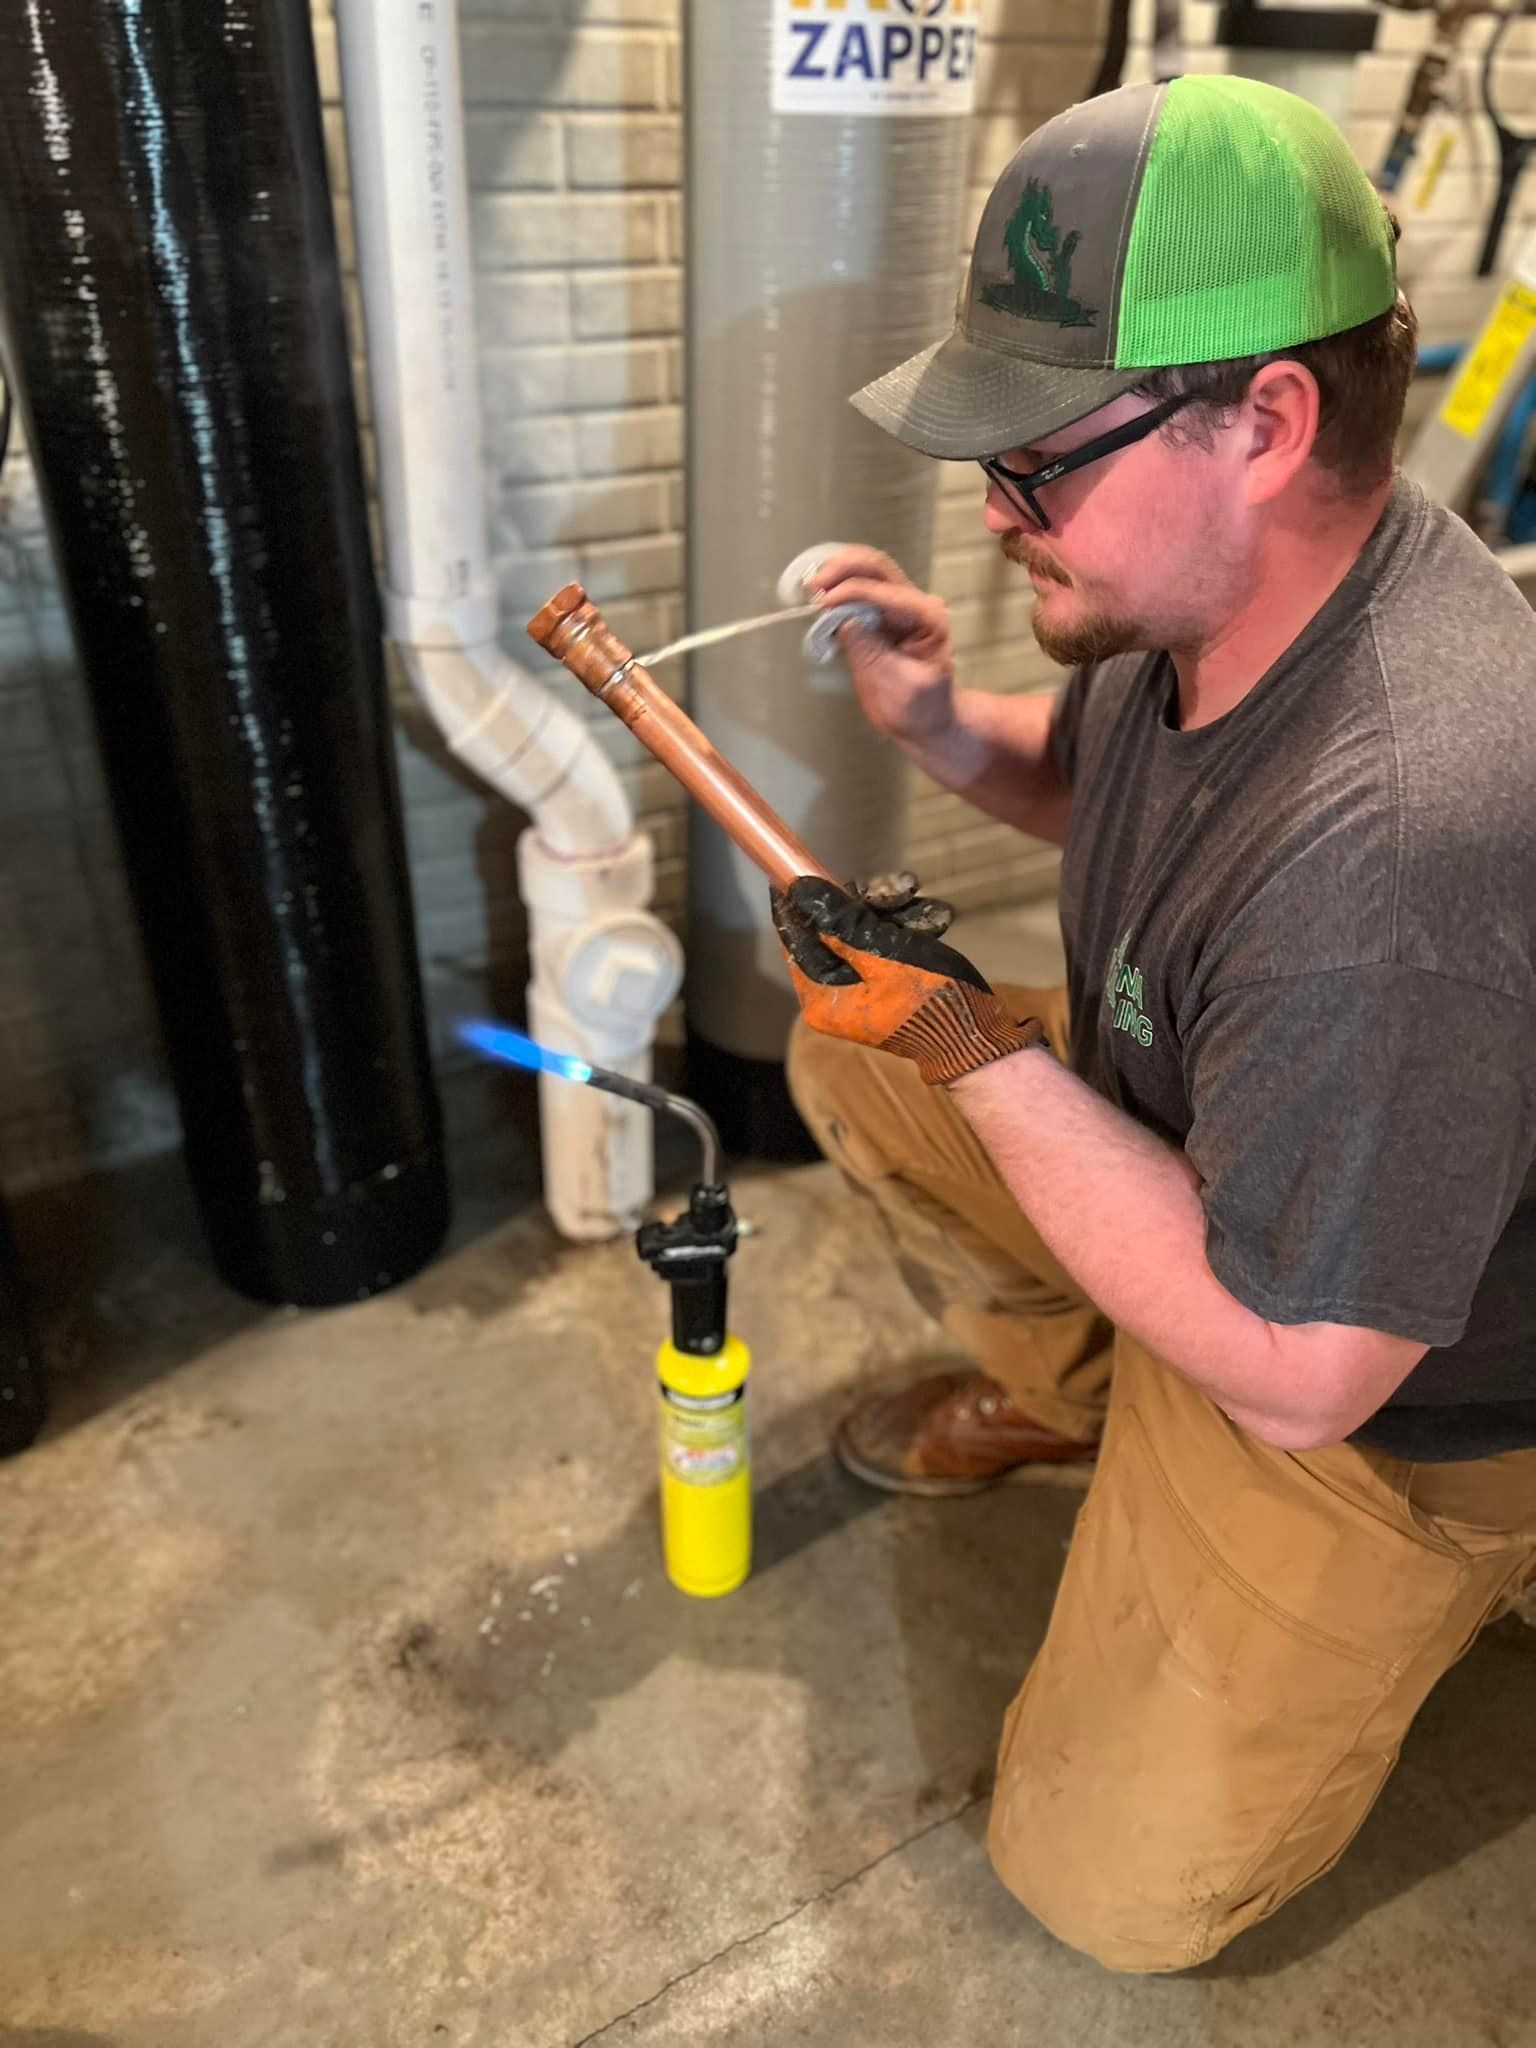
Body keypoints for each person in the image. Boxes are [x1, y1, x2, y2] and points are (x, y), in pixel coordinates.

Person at [772, 73, 1536, 1973]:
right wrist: (950, 735)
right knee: (848, 1049)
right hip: (1225, 1177)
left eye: (1037, 452)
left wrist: (979, 1045)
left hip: (1382, 1407)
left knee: (1100, 1893)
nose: (993, 502)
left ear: (1265, 420)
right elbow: (1118, 794)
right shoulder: (1227, 591)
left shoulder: (1399, 847)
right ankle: (1096, 1408)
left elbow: (1305, 1371)